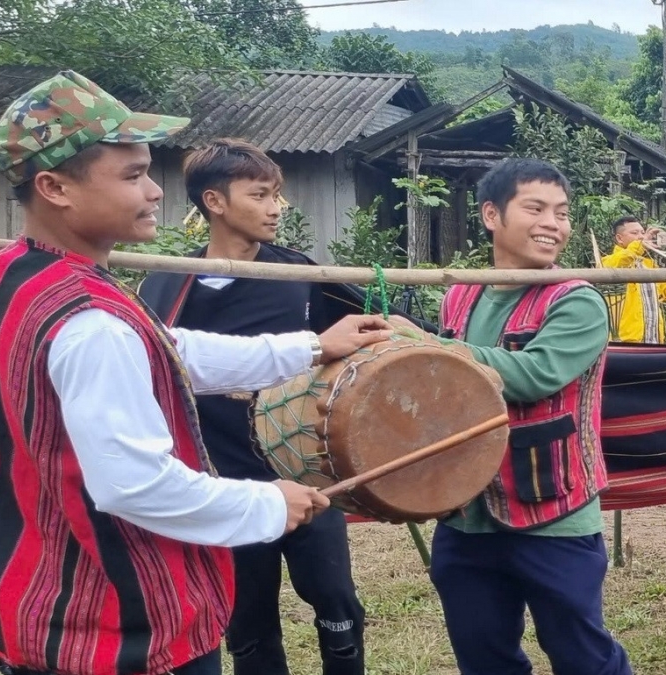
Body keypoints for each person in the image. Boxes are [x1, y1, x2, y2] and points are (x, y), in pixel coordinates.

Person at [0, 71, 390, 675]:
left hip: (37, 600)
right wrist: (267, 503)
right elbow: (135, 486)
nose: (154, 192)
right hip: (121, 627)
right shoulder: (93, 322)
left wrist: (310, 347)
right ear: (54, 187)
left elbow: (169, 348)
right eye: (131, 175)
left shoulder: (19, 278)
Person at [137, 139, 423, 675]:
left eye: (278, 196)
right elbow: (152, 370)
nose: (275, 208)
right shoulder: (168, 282)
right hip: (224, 480)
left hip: (307, 472)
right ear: (215, 201)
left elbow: (371, 326)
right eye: (261, 194)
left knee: (337, 605)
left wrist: (420, 336)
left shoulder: (297, 276)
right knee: (247, 623)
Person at [413, 158, 630, 675]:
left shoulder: (577, 302)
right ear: (492, 214)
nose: (553, 223)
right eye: (535, 208)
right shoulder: (461, 292)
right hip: (466, 514)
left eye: (561, 212)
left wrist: (433, 350)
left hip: (553, 510)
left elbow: (534, 375)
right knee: (483, 655)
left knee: (581, 656)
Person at [600, 215, 666, 343]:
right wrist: (640, 246)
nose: (641, 236)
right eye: (635, 233)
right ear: (619, 238)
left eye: (643, 233)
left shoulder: (649, 265)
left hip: (653, 341)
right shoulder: (608, 261)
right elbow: (618, 263)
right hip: (623, 342)